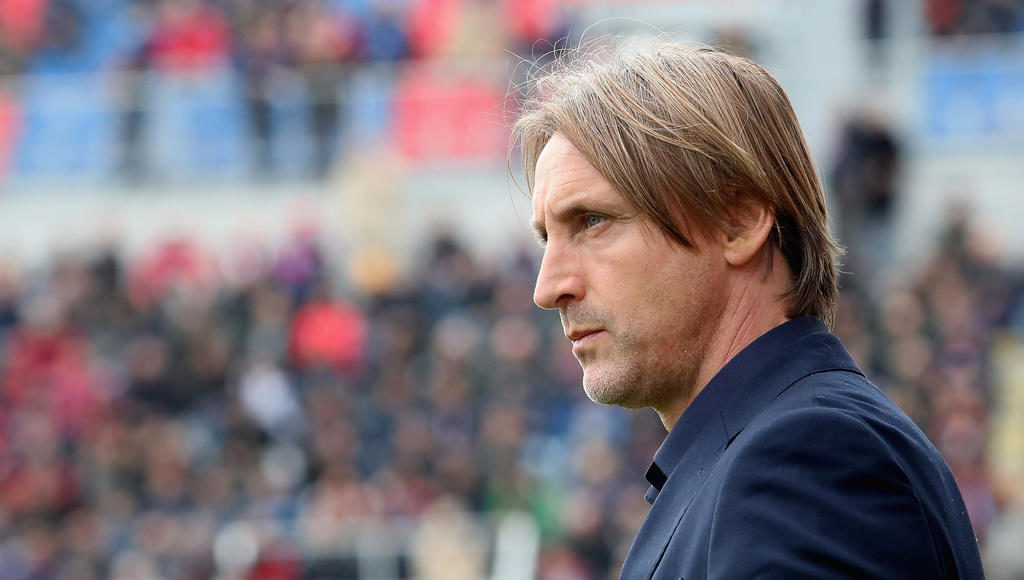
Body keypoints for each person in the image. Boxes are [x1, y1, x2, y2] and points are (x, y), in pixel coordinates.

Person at [513, 42, 985, 579]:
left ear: (737, 223)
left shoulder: (805, 455)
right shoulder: (762, 456)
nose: (547, 288)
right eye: (546, 238)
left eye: (592, 221)